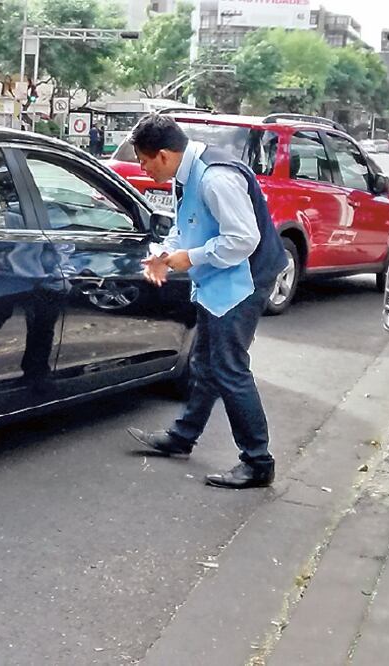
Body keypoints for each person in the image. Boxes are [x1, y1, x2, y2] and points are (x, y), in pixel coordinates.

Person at [125, 114, 287, 489]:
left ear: (164, 155)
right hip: (219, 277)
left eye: (144, 161)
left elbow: (243, 239)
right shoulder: (185, 173)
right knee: (205, 363)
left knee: (229, 368)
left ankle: (258, 461)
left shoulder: (216, 178)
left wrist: (191, 258)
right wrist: (164, 254)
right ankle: (182, 437)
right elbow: (185, 227)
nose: (143, 169)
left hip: (245, 280)